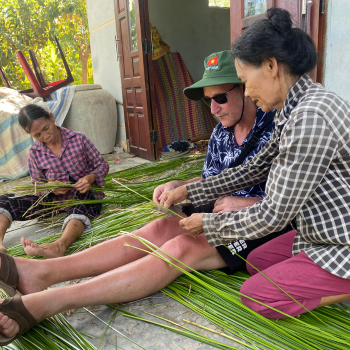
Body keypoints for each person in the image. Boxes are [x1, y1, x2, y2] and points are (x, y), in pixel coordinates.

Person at [0, 50, 288, 345]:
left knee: (182, 247)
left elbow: (300, 197)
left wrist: (252, 203)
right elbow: (212, 180)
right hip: (219, 206)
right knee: (159, 228)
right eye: (208, 100)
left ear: (246, 87)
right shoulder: (222, 132)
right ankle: (43, 272)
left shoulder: (280, 129)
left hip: (265, 222)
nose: (213, 108)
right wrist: (181, 185)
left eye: (221, 98)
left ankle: (53, 301)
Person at [159, 8, 350, 320]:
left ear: (272, 66)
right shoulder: (293, 108)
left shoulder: (309, 118)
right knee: (256, 261)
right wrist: (190, 191)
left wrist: (208, 224)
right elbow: (255, 168)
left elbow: (274, 214)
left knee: (256, 297)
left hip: (342, 241)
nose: (246, 92)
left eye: (245, 82)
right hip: (319, 230)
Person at [0, 104, 109, 258]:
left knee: (83, 203)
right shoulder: (35, 153)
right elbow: (36, 185)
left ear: (52, 118)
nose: (45, 136)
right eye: (37, 135)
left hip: (83, 195)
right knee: (6, 201)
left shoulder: (79, 139)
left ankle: (60, 245)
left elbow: (102, 165)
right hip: (54, 202)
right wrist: (49, 188)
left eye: (46, 128)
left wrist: (90, 178)